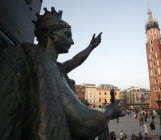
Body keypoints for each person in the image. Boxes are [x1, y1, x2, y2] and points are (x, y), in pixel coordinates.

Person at [0, 7, 125, 140]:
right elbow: (85, 123)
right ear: (52, 34)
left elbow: (76, 60)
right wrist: (108, 112)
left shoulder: (55, 67)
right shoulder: (41, 63)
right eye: (67, 34)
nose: (72, 41)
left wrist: (91, 46)